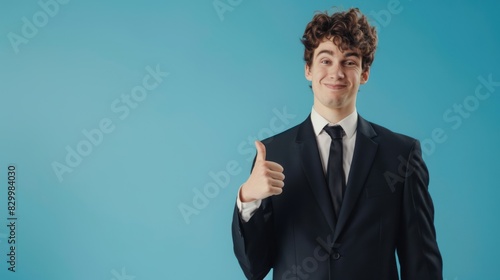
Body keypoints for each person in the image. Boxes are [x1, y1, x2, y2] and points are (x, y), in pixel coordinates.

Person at [231, 7, 443, 280]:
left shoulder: (401, 154)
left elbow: (422, 263)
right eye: (326, 60)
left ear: (364, 74)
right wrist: (248, 199)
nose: (337, 73)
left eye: (350, 62)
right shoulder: (273, 154)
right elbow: (254, 268)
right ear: (308, 69)